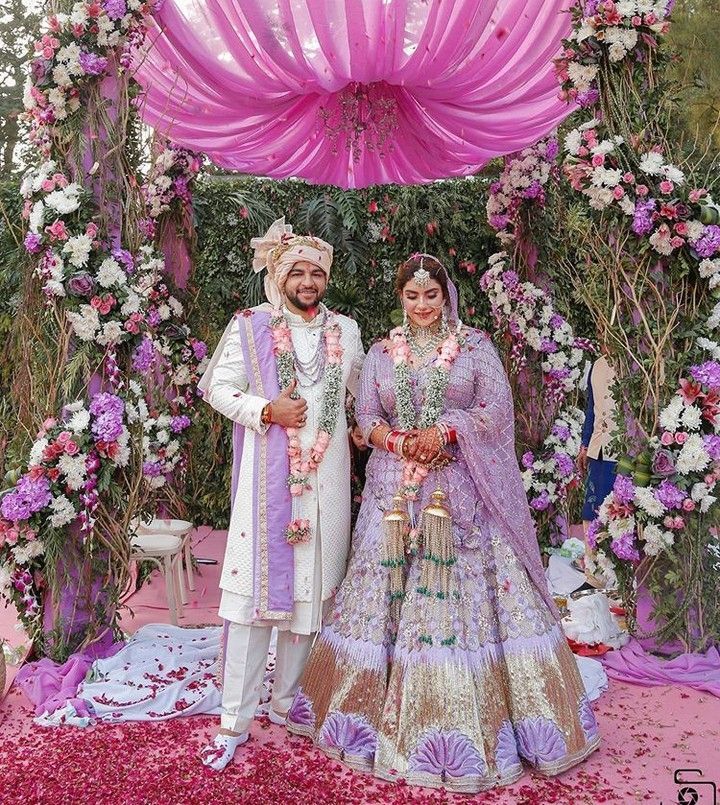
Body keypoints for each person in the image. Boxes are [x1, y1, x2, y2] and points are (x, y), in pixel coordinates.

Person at [285, 254, 599, 794]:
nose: (422, 305)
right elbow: (366, 419)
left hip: (459, 495)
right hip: (393, 494)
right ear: (400, 298)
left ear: (446, 296)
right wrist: (401, 440)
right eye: (412, 296)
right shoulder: (382, 353)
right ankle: (368, 716)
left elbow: (496, 411)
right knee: (384, 591)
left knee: (461, 593)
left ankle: (474, 721)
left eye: (431, 296)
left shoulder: (475, 347)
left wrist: (449, 430)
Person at [197, 219, 365, 771]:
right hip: (268, 483)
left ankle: (288, 701)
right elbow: (216, 389)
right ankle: (233, 719)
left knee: (310, 598)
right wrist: (267, 411)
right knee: (250, 604)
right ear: (278, 275)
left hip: (327, 481)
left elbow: (362, 397)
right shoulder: (250, 326)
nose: (309, 280)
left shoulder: (348, 330)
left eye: (318, 271)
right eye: (298, 271)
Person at [578, 346, 618, 587]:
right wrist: (584, 445)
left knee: (619, 515)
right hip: (598, 451)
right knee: (590, 513)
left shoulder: (631, 364)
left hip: (622, 452)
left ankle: (623, 577)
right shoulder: (597, 364)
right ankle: (594, 578)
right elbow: (591, 410)